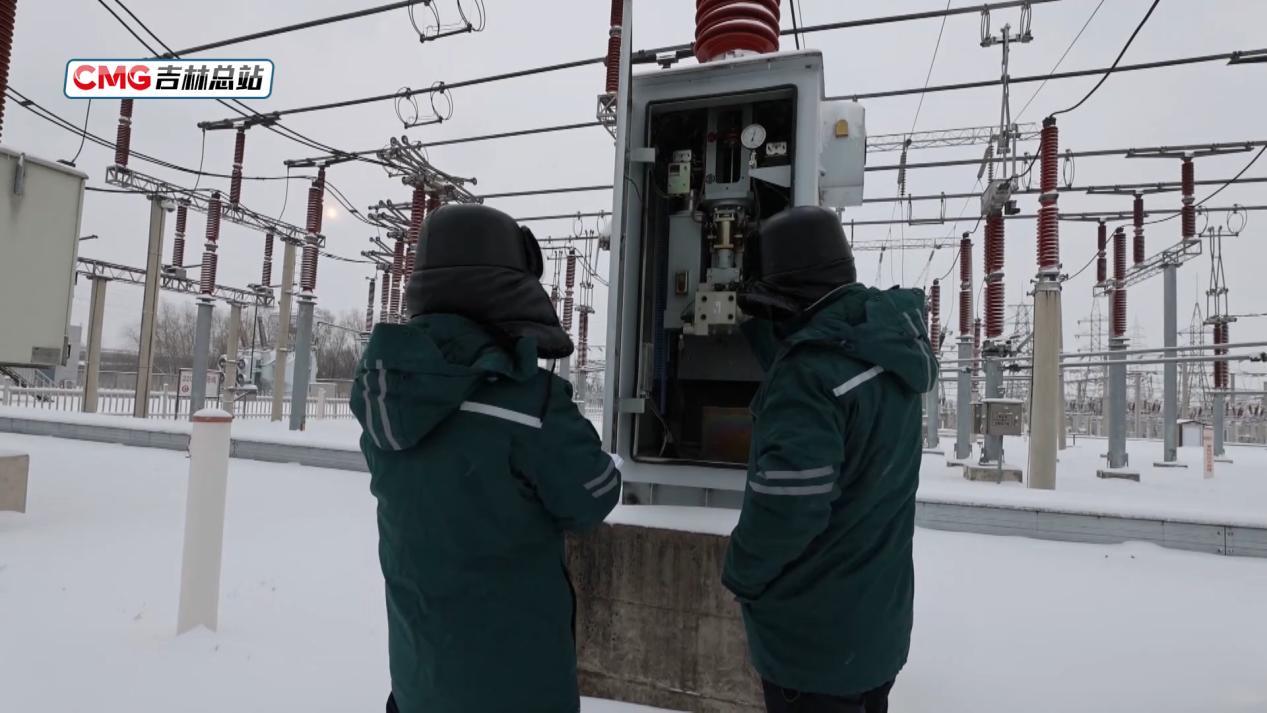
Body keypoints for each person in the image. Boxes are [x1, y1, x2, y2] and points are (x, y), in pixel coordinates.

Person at [351, 204, 622, 713]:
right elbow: (595, 496)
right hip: (516, 687)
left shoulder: (385, 395)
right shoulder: (530, 404)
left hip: (420, 682)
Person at [722, 206, 936, 713]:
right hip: (876, 627)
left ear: (790, 296)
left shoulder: (809, 375)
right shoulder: (885, 354)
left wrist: (741, 574)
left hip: (813, 642)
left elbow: (788, 507)